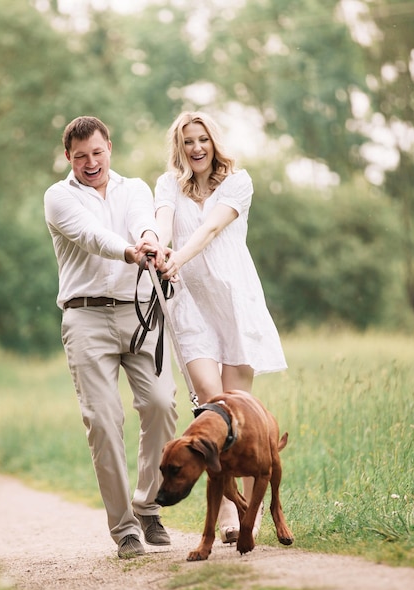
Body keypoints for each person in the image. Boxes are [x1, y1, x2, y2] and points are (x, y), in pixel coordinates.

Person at [44, 116, 179, 559]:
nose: (90, 162)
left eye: (97, 153)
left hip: (138, 311)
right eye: (81, 156)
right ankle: (124, 528)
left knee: (161, 404)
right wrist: (129, 250)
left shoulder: (134, 188)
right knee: (104, 421)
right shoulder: (58, 197)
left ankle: (147, 504)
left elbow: (143, 221)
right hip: (85, 319)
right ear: (69, 157)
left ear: (109, 148)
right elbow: (90, 236)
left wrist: (148, 240)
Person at [154, 111, 287, 544]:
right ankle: (230, 508)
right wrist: (157, 246)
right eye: (188, 141)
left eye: (202, 140)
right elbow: (162, 221)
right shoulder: (167, 184)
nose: (196, 148)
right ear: (179, 147)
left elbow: (211, 228)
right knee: (213, 404)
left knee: (242, 413)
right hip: (190, 305)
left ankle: (251, 517)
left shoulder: (238, 183)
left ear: (214, 143)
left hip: (234, 302)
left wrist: (177, 256)